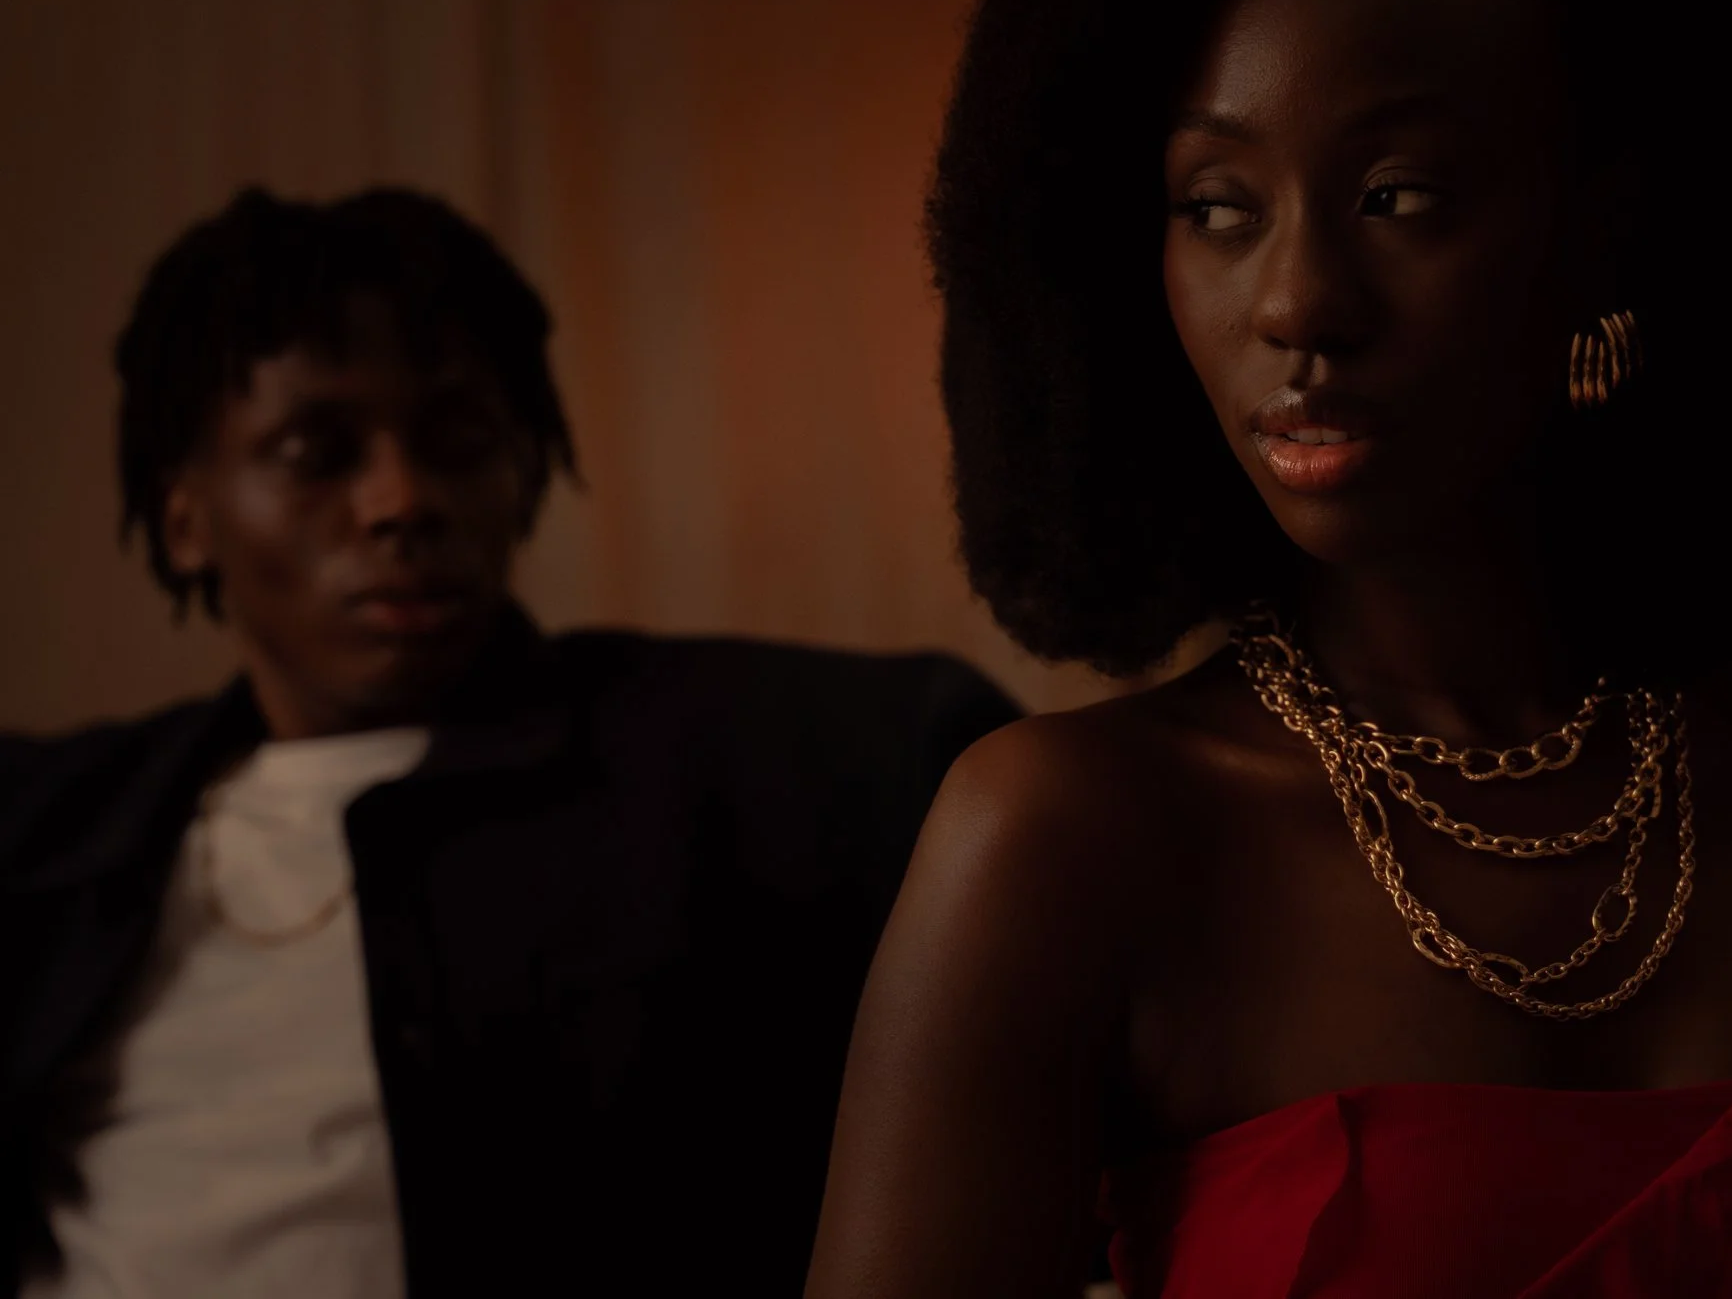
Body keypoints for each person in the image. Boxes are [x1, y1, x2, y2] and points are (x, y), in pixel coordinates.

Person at [809, 0, 1732, 1297]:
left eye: (1397, 196)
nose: (1297, 301)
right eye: (1219, 209)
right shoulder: (1060, 838)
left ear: (1604, 230)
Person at [0, 187, 1018, 1298]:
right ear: (186, 517)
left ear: (526, 466)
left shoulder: (799, 758)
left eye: (458, 438)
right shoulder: (51, 830)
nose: (399, 498)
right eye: (315, 451)